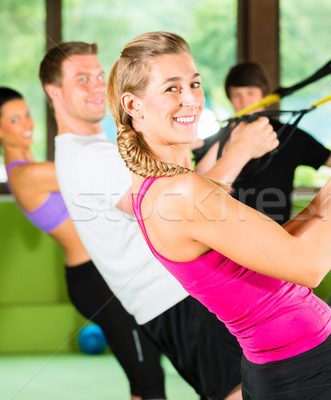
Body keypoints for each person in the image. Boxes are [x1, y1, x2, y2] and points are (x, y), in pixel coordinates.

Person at [109, 31, 331, 399]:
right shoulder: (181, 192)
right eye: (171, 88)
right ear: (134, 105)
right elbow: (308, 267)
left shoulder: (165, 187)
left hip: (283, 366)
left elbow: (274, 248)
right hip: (303, 371)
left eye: (193, 83)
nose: (190, 98)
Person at [40, 41, 277, 400]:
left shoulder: (100, 150)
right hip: (173, 298)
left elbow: (188, 190)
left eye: (99, 76)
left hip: (179, 293)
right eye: (81, 79)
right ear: (53, 90)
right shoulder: (90, 157)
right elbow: (179, 212)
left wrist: (221, 147)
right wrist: (240, 152)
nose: (95, 86)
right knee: (239, 392)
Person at [0, 87, 166, 400]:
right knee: (148, 378)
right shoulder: (28, 175)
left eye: (26, 114)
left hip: (102, 271)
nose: (26, 123)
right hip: (94, 278)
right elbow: (100, 172)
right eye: (14, 119)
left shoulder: (36, 168)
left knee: (145, 375)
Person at [194, 61, 331, 225]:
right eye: (237, 95)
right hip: (224, 238)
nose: (245, 101)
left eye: (251, 93)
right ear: (230, 98)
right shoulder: (214, 141)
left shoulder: (289, 134)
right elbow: (196, 191)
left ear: (264, 96)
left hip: (275, 237)